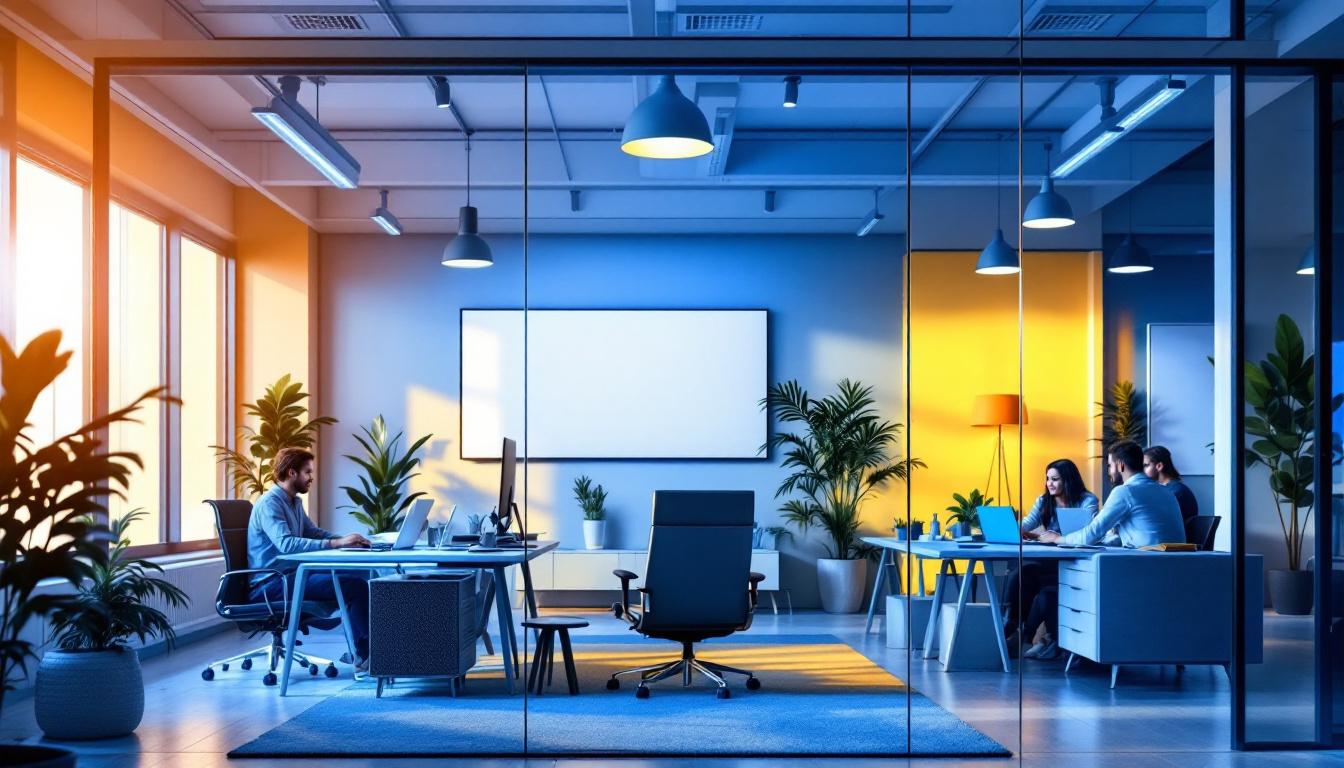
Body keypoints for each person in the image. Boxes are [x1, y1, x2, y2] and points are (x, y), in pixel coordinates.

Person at [248, 447, 374, 667]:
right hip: (271, 583)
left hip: (291, 576)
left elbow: (313, 533)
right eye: (307, 472)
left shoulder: (293, 502)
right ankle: (366, 655)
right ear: (291, 473)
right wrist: (337, 543)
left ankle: (363, 651)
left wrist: (347, 540)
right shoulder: (270, 503)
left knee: (357, 574)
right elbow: (286, 544)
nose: (311, 478)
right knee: (353, 586)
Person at [1003, 459, 1099, 660]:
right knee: (1019, 576)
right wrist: (1013, 529)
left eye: (1055, 479)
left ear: (1068, 480)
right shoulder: (1044, 500)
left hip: (1075, 563)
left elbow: (1088, 532)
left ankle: (1034, 636)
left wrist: (1050, 536)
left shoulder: (1087, 500)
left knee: (1045, 595)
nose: (1050, 483)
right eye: (1047, 479)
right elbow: (1029, 522)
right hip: (1049, 562)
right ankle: (1012, 628)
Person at [1039, 440, 1185, 548]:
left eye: (1110, 465)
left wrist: (1057, 538)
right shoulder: (1166, 490)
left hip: (1147, 564)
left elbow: (1090, 535)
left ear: (1120, 465)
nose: (1109, 471)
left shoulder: (1125, 491)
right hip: (1178, 565)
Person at [1143, 445, 1199, 522]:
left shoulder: (1174, 491)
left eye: (1146, 465)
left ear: (1159, 466)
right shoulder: (1171, 488)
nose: (1142, 470)